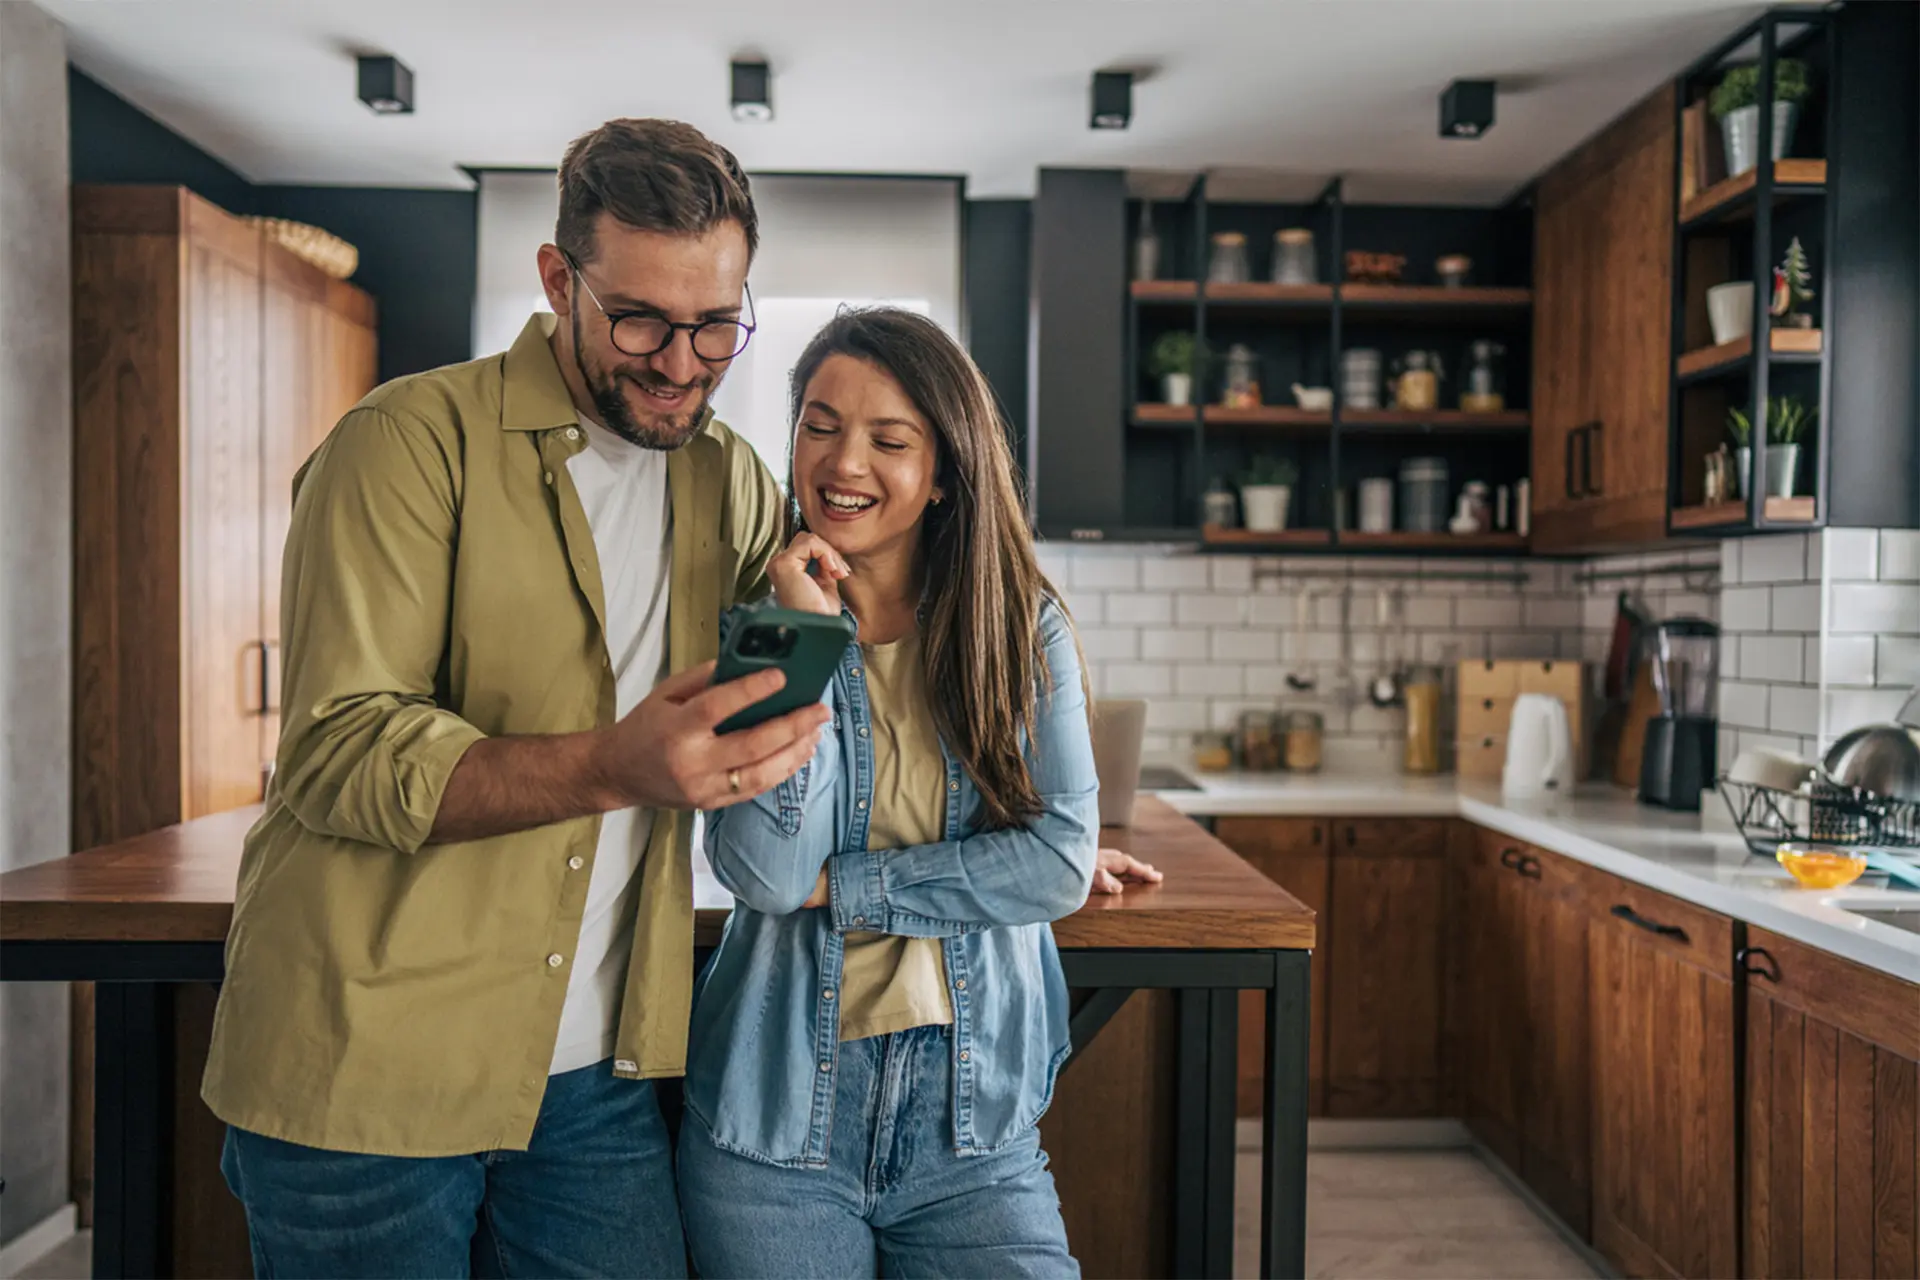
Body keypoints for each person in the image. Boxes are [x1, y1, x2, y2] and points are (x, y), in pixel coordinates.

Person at [199, 118, 828, 1278]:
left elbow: (789, 701)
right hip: (367, 1068)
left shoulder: (729, 478)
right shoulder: (406, 443)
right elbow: (338, 748)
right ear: (558, 280)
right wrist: (610, 766)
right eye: (641, 317)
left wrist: (1002, 815)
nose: (683, 360)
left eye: (717, 324)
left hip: (594, 1076)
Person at [679, 308, 1138, 1278]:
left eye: (890, 439)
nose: (844, 461)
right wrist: (799, 641)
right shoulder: (764, 623)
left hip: (971, 1127)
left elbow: (1056, 861)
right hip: (776, 1123)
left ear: (943, 474)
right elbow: (763, 872)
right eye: (819, 423)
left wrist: (847, 889)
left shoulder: (1020, 626)